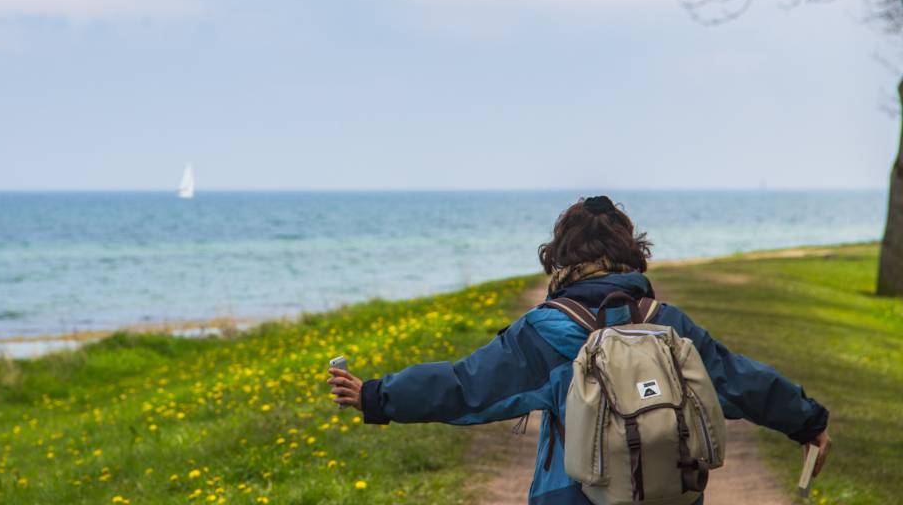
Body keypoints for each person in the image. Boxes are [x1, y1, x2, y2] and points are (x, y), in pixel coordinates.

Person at [328, 196, 832, 504]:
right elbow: (740, 381)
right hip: (670, 493)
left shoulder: (548, 330)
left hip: (570, 495)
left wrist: (377, 396)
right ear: (633, 254)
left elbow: (466, 388)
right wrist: (807, 421)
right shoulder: (668, 324)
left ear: (561, 257)